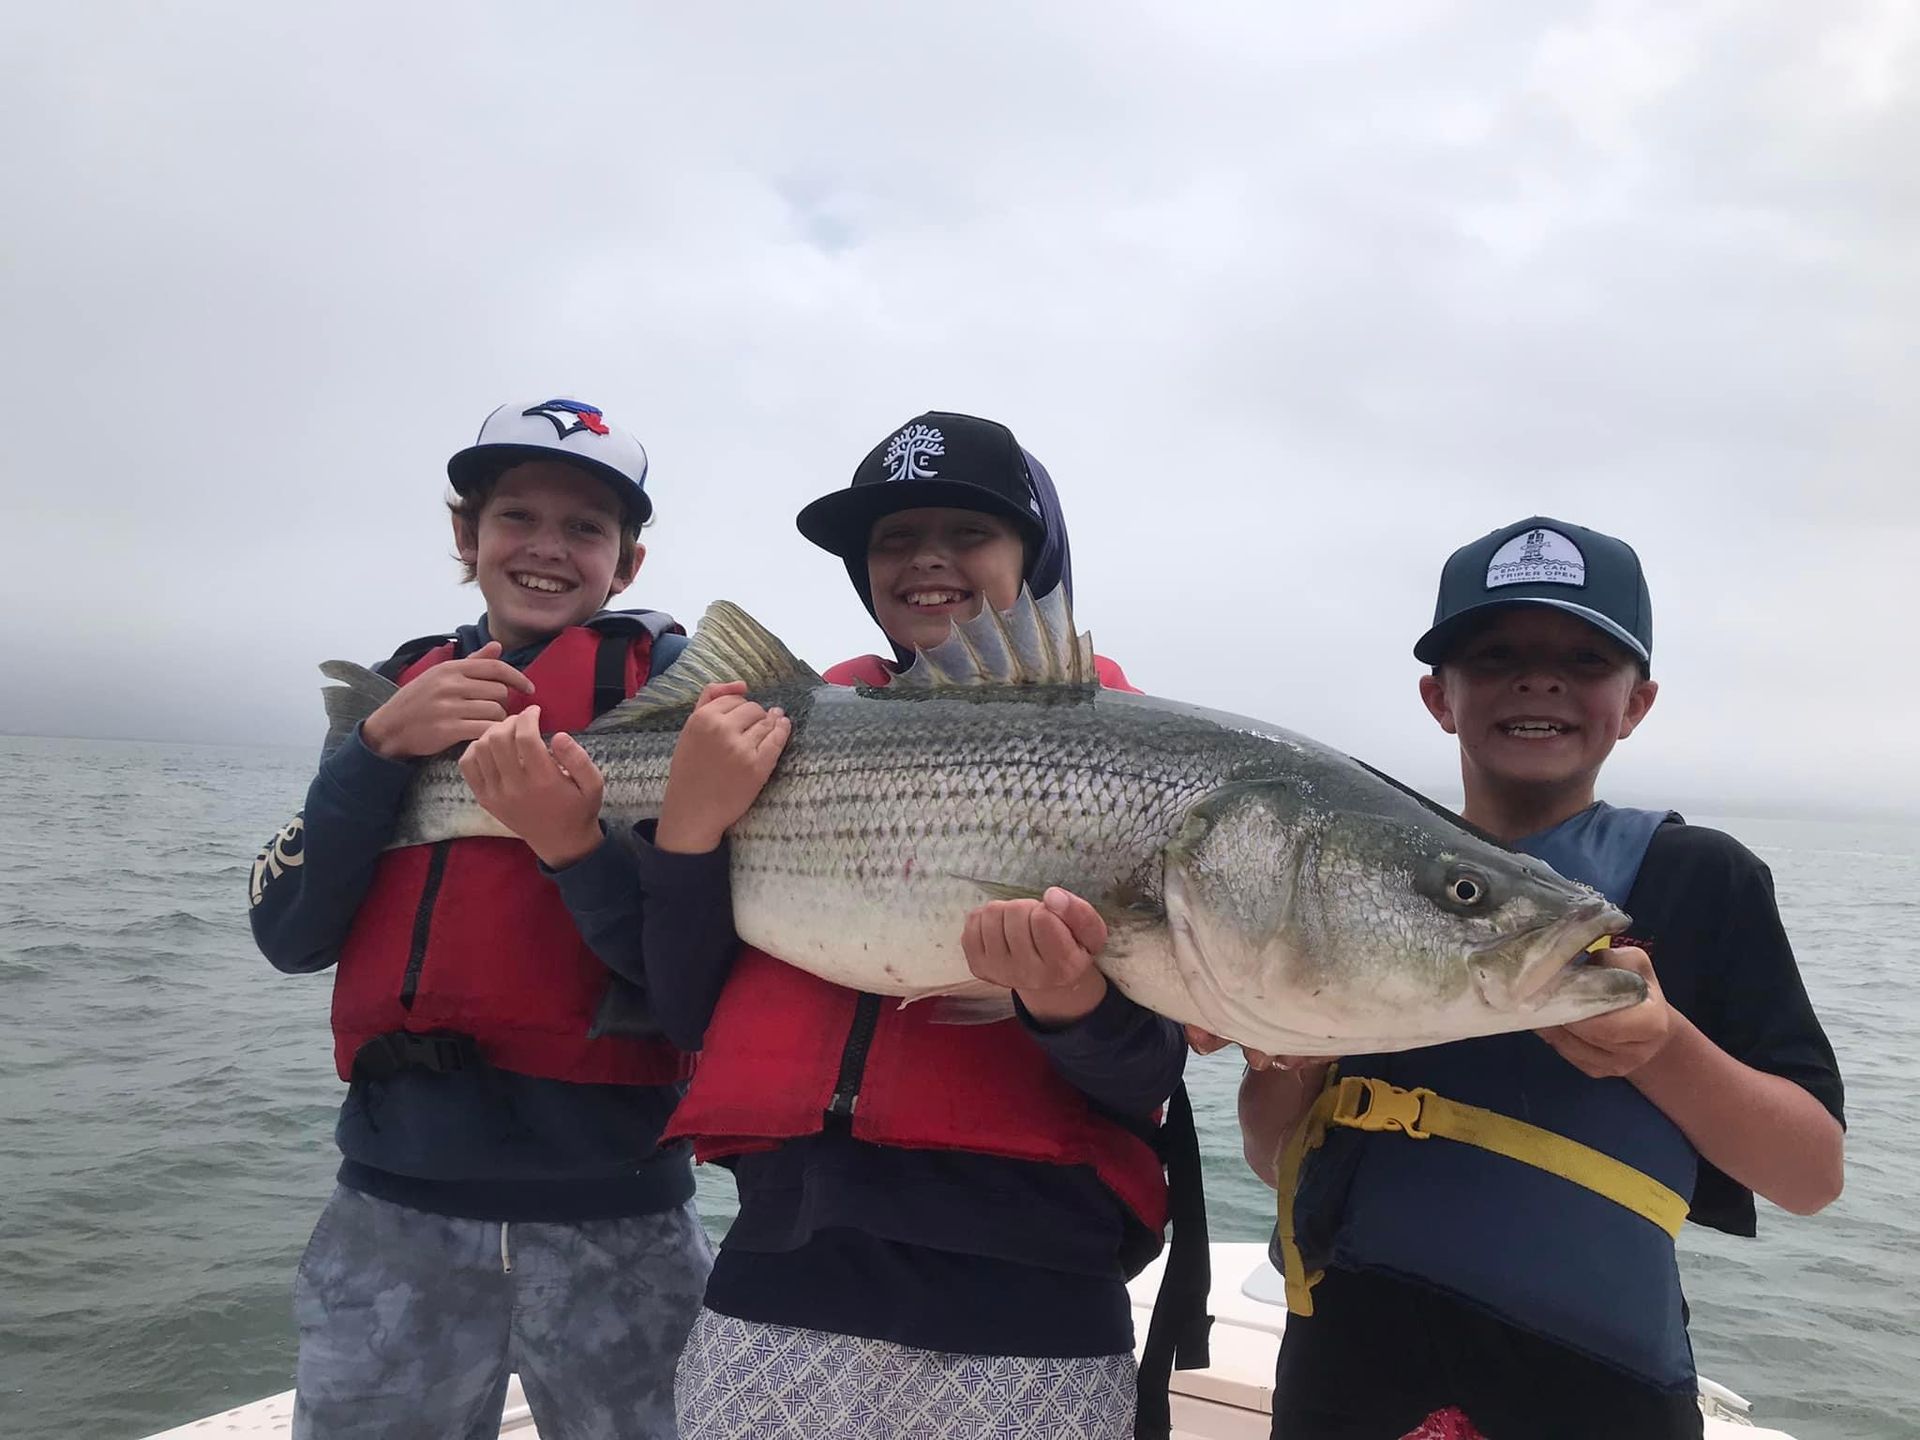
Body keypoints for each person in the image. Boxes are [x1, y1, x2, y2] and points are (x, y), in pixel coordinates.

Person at [1234, 516, 1846, 1440]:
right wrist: (1282, 1051)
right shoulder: (1355, 870)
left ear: (1636, 703)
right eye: (1497, 656)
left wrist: (1662, 1047)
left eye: (1585, 659)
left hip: (1598, 1389)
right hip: (1348, 1369)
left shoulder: (1701, 878)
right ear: (1439, 696)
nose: (1539, 680)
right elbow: (1273, 1154)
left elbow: (1810, 1174)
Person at [651, 412, 1187, 1439]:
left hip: (1033, 1297)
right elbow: (681, 1011)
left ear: (1038, 557)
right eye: (894, 538)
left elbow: (1145, 1075)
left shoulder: (1130, 765)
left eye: (969, 531)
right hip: (783, 1273)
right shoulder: (766, 737)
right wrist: (686, 834)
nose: (927, 559)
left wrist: (1069, 1004)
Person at [248, 397, 714, 1440]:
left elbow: (690, 972)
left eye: (585, 527)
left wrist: (576, 847)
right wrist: (374, 751)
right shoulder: (394, 700)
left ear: (628, 564)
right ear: (467, 535)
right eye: (517, 517)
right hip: (392, 1212)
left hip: (623, 1214)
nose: (547, 547)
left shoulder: (690, 703)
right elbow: (289, 934)